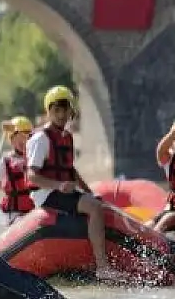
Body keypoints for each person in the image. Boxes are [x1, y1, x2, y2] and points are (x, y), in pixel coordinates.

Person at [25, 87, 122, 281]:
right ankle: (102, 267)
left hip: (60, 192)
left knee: (96, 203)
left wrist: (89, 191)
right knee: (94, 208)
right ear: (49, 111)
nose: (61, 115)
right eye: (56, 110)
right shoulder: (41, 139)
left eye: (65, 110)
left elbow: (71, 171)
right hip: (46, 194)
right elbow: (32, 176)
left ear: (71, 111)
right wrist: (59, 186)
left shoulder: (66, 137)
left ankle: (97, 262)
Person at [0, 116, 36, 225]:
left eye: (26, 138)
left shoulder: (36, 159)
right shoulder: (3, 161)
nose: (24, 142)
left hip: (35, 210)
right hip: (14, 214)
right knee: (21, 222)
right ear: (11, 140)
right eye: (20, 139)